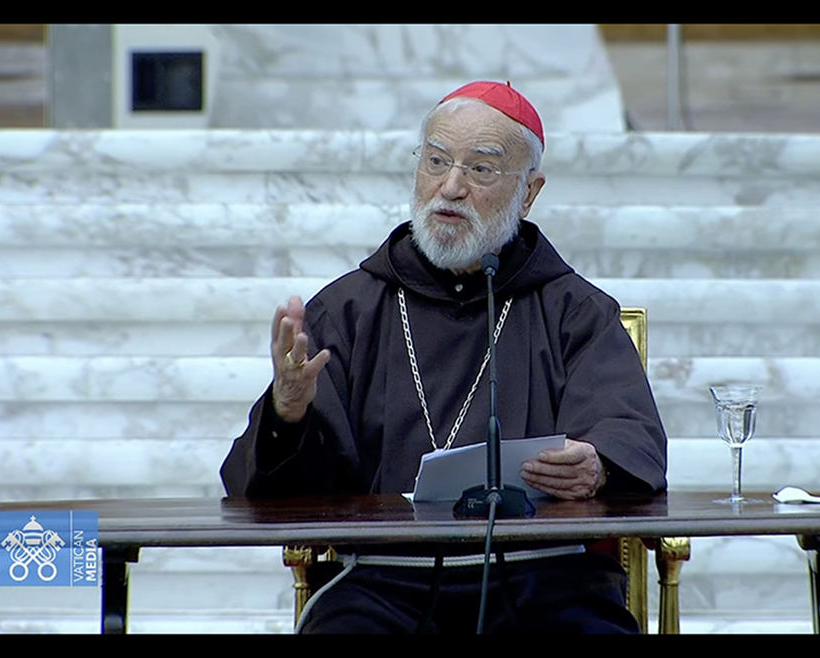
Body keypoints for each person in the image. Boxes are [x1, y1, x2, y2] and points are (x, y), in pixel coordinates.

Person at [220, 80, 668, 634]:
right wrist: (288, 414)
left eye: (481, 169)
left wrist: (600, 464)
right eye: (436, 161)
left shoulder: (576, 312)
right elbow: (271, 496)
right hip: (384, 582)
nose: (450, 186)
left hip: (545, 579)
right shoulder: (348, 311)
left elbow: (632, 433)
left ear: (529, 192)